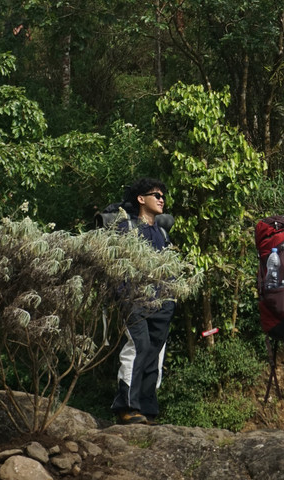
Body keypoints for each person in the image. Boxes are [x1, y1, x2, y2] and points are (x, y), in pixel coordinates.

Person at [111, 177, 175, 425]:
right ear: (141, 199)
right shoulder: (126, 228)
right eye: (156, 195)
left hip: (162, 304)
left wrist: (171, 299)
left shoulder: (160, 231)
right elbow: (117, 264)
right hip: (134, 300)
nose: (161, 199)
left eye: (162, 196)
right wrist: (124, 296)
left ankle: (146, 409)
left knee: (154, 355)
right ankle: (126, 407)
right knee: (137, 348)